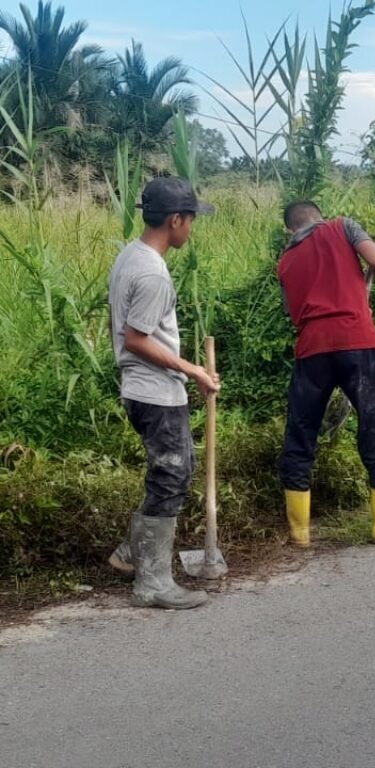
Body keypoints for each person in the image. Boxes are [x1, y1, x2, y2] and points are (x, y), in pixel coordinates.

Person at [107, 177, 220, 609]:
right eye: (190, 220)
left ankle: (130, 554)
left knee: (170, 472)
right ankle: (152, 583)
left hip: (144, 389)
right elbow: (136, 338)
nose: (191, 228)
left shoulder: (130, 256)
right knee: (172, 477)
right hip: (154, 391)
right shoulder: (152, 272)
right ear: (175, 220)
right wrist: (192, 370)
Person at [277, 201, 375, 547]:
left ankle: (300, 532)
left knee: (301, 433)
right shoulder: (341, 226)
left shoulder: (285, 261)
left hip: (312, 349)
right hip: (357, 340)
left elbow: (294, 314)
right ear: (317, 217)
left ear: (291, 230)